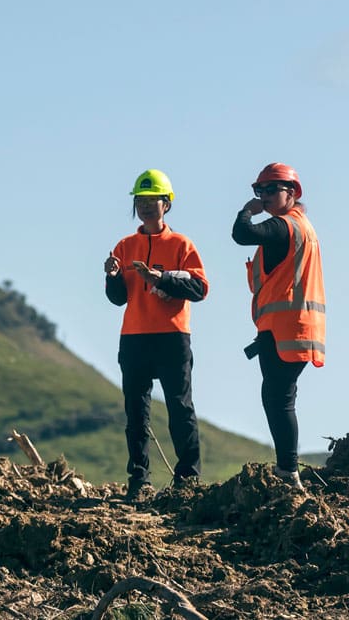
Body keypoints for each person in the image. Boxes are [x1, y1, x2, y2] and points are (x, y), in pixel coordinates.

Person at [104, 169, 208, 498]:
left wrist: (162, 279)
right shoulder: (125, 246)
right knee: (136, 412)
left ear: (167, 204)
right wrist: (112, 277)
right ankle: (139, 479)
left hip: (172, 337)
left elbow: (199, 288)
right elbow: (118, 298)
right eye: (141, 200)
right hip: (134, 337)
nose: (146, 206)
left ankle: (187, 480)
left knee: (180, 407)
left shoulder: (181, 244)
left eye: (153, 200)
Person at [232, 163, 324, 490]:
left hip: (286, 329)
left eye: (272, 189)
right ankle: (287, 469)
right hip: (294, 328)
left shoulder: (284, 227)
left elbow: (241, 233)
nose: (265, 196)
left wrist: (247, 210)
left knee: (278, 398)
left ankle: (288, 472)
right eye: (260, 191)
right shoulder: (301, 228)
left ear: (292, 192)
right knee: (278, 396)